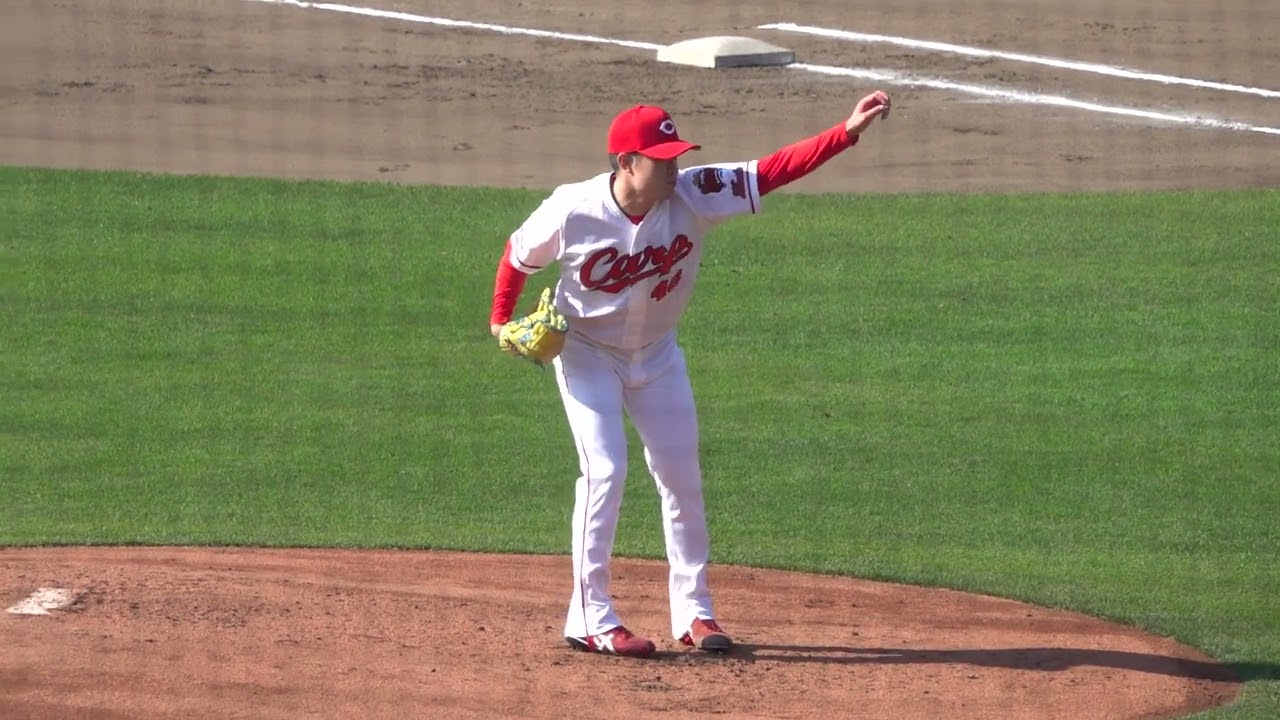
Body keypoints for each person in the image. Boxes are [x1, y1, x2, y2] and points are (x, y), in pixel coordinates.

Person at [488, 90, 892, 658]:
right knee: (605, 471)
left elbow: (770, 171)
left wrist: (845, 132)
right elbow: (518, 255)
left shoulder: (693, 192)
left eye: (676, 154)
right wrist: (500, 320)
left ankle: (694, 611)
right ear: (627, 162)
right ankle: (589, 616)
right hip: (586, 354)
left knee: (682, 479)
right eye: (662, 158)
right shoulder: (571, 208)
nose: (675, 166)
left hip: (658, 357)